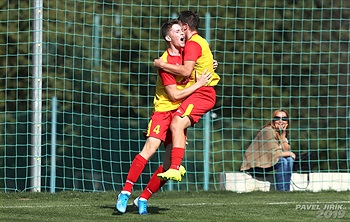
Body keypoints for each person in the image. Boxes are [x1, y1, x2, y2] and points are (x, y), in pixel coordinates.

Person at [115, 19, 212, 215]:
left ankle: (143, 198)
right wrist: (200, 83)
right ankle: (125, 191)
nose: (182, 33)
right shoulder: (164, 62)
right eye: (177, 31)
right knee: (150, 149)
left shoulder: (187, 54)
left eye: (181, 29)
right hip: (163, 111)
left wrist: (210, 65)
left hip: (180, 113)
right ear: (168, 37)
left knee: (169, 166)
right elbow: (174, 95)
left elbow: (193, 67)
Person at [154, 11, 220, 181]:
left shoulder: (193, 44)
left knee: (176, 124)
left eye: (180, 28)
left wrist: (162, 64)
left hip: (203, 93)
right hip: (198, 93)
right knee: (177, 125)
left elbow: (185, 70)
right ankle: (175, 165)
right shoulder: (199, 42)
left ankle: (175, 167)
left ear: (185, 27)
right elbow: (199, 64)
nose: (179, 33)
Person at [240, 109, 296, 191]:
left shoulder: (280, 133)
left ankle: (286, 190)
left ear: (287, 121)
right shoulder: (268, 131)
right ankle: (282, 191)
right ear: (273, 120)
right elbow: (273, 154)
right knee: (284, 161)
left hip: (269, 163)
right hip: (256, 165)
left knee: (289, 160)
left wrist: (283, 135)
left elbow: (285, 150)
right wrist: (290, 153)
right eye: (277, 118)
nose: (281, 121)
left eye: (284, 119)